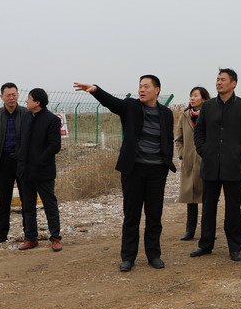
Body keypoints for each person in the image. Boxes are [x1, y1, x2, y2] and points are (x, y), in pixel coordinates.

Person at [74, 77, 176, 272]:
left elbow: (168, 139)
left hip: (157, 171)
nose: (141, 90)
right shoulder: (131, 106)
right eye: (140, 86)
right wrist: (95, 90)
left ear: (157, 90)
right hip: (134, 170)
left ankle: (154, 255)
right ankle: (128, 257)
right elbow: (112, 103)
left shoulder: (166, 113)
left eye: (146, 86)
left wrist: (166, 162)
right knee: (131, 215)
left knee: (154, 216)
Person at [190, 68, 241, 262]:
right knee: (208, 208)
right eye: (217, 79)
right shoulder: (208, 106)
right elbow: (199, 130)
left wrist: (240, 151)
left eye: (223, 79)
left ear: (233, 83)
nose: (219, 82)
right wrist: (203, 150)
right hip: (210, 164)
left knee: (233, 209)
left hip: (233, 166)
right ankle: (205, 245)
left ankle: (234, 247)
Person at [16, 88, 62, 251]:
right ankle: (31, 238)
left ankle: (55, 237)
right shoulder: (25, 117)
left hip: (43, 171)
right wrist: (19, 157)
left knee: (49, 205)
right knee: (28, 206)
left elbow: (55, 146)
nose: (26, 101)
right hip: (25, 170)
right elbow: (20, 139)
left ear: (37, 102)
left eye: (29, 98)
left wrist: (39, 160)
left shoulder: (52, 120)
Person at [0, 82, 25, 246]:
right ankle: (1, 235)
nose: (11, 98)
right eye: (8, 95)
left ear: (18, 95)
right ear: (1, 97)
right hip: (3, 162)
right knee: (4, 201)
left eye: (14, 94)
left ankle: (30, 233)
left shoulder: (26, 113)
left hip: (22, 162)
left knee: (26, 198)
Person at [175, 86, 210, 241]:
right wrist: (182, 154)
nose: (192, 98)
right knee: (190, 198)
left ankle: (207, 231)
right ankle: (190, 231)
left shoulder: (210, 115)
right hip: (189, 162)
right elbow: (178, 139)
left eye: (196, 95)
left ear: (204, 98)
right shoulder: (184, 115)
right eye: (191, 95)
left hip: (206, 162)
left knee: (207, 199)